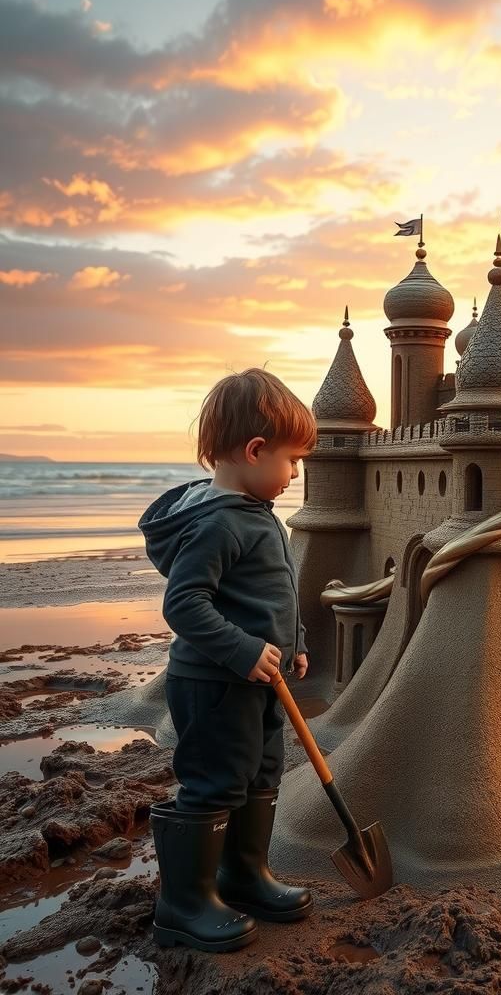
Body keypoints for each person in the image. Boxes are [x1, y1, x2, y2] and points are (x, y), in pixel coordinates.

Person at [139, 368, 318, 952]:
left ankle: (244, 874)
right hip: (214, 683)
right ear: (255, 451)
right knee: (214, 782)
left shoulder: (255, 511)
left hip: (259, 681)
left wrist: (293, 646)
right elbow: (184, 603)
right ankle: (183, 903)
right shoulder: (218, 522)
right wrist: (243, 651)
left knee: (261, 771)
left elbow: (271, 591)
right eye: (293, 460)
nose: (296, 474)